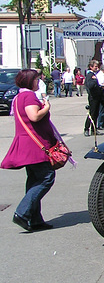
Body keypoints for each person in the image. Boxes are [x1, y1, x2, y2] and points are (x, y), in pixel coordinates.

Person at [1, 69, 58, 232]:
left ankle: (35, 218)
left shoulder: (19, 96)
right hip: (33, 144)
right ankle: (22, 212)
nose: (38, 82)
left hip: (26, 143)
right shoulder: (28, 96)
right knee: (47, 177)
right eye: (36, 80)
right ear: (29, 81)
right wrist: (46, 107)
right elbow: (34, 116)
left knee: (34, 179)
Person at [84, 60, 104, 136]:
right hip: (93, 97)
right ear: (91, 67)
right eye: (95, 66)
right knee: (91, 114)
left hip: (97, 97)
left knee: (95, 114)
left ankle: (93, 129)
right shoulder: (90, 75)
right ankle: (86, 129)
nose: (97, 68)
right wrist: (94, 81)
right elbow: (89, 85)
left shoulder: (94, 75)